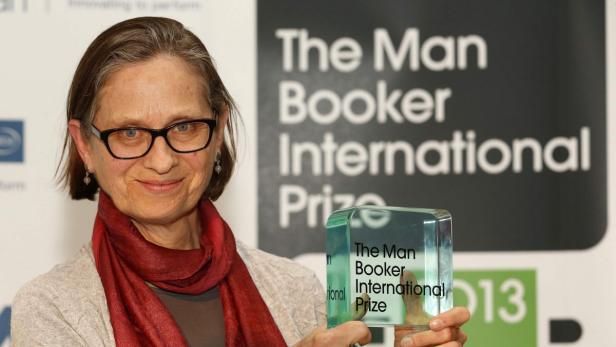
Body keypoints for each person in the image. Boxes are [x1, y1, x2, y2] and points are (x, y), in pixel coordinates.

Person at [11, 16, 469, 346]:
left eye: (185, 127)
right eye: (129, 133)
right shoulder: (53, 308)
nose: (162, 158)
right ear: (85, 145)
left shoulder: (297, 290)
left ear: (219, 129)